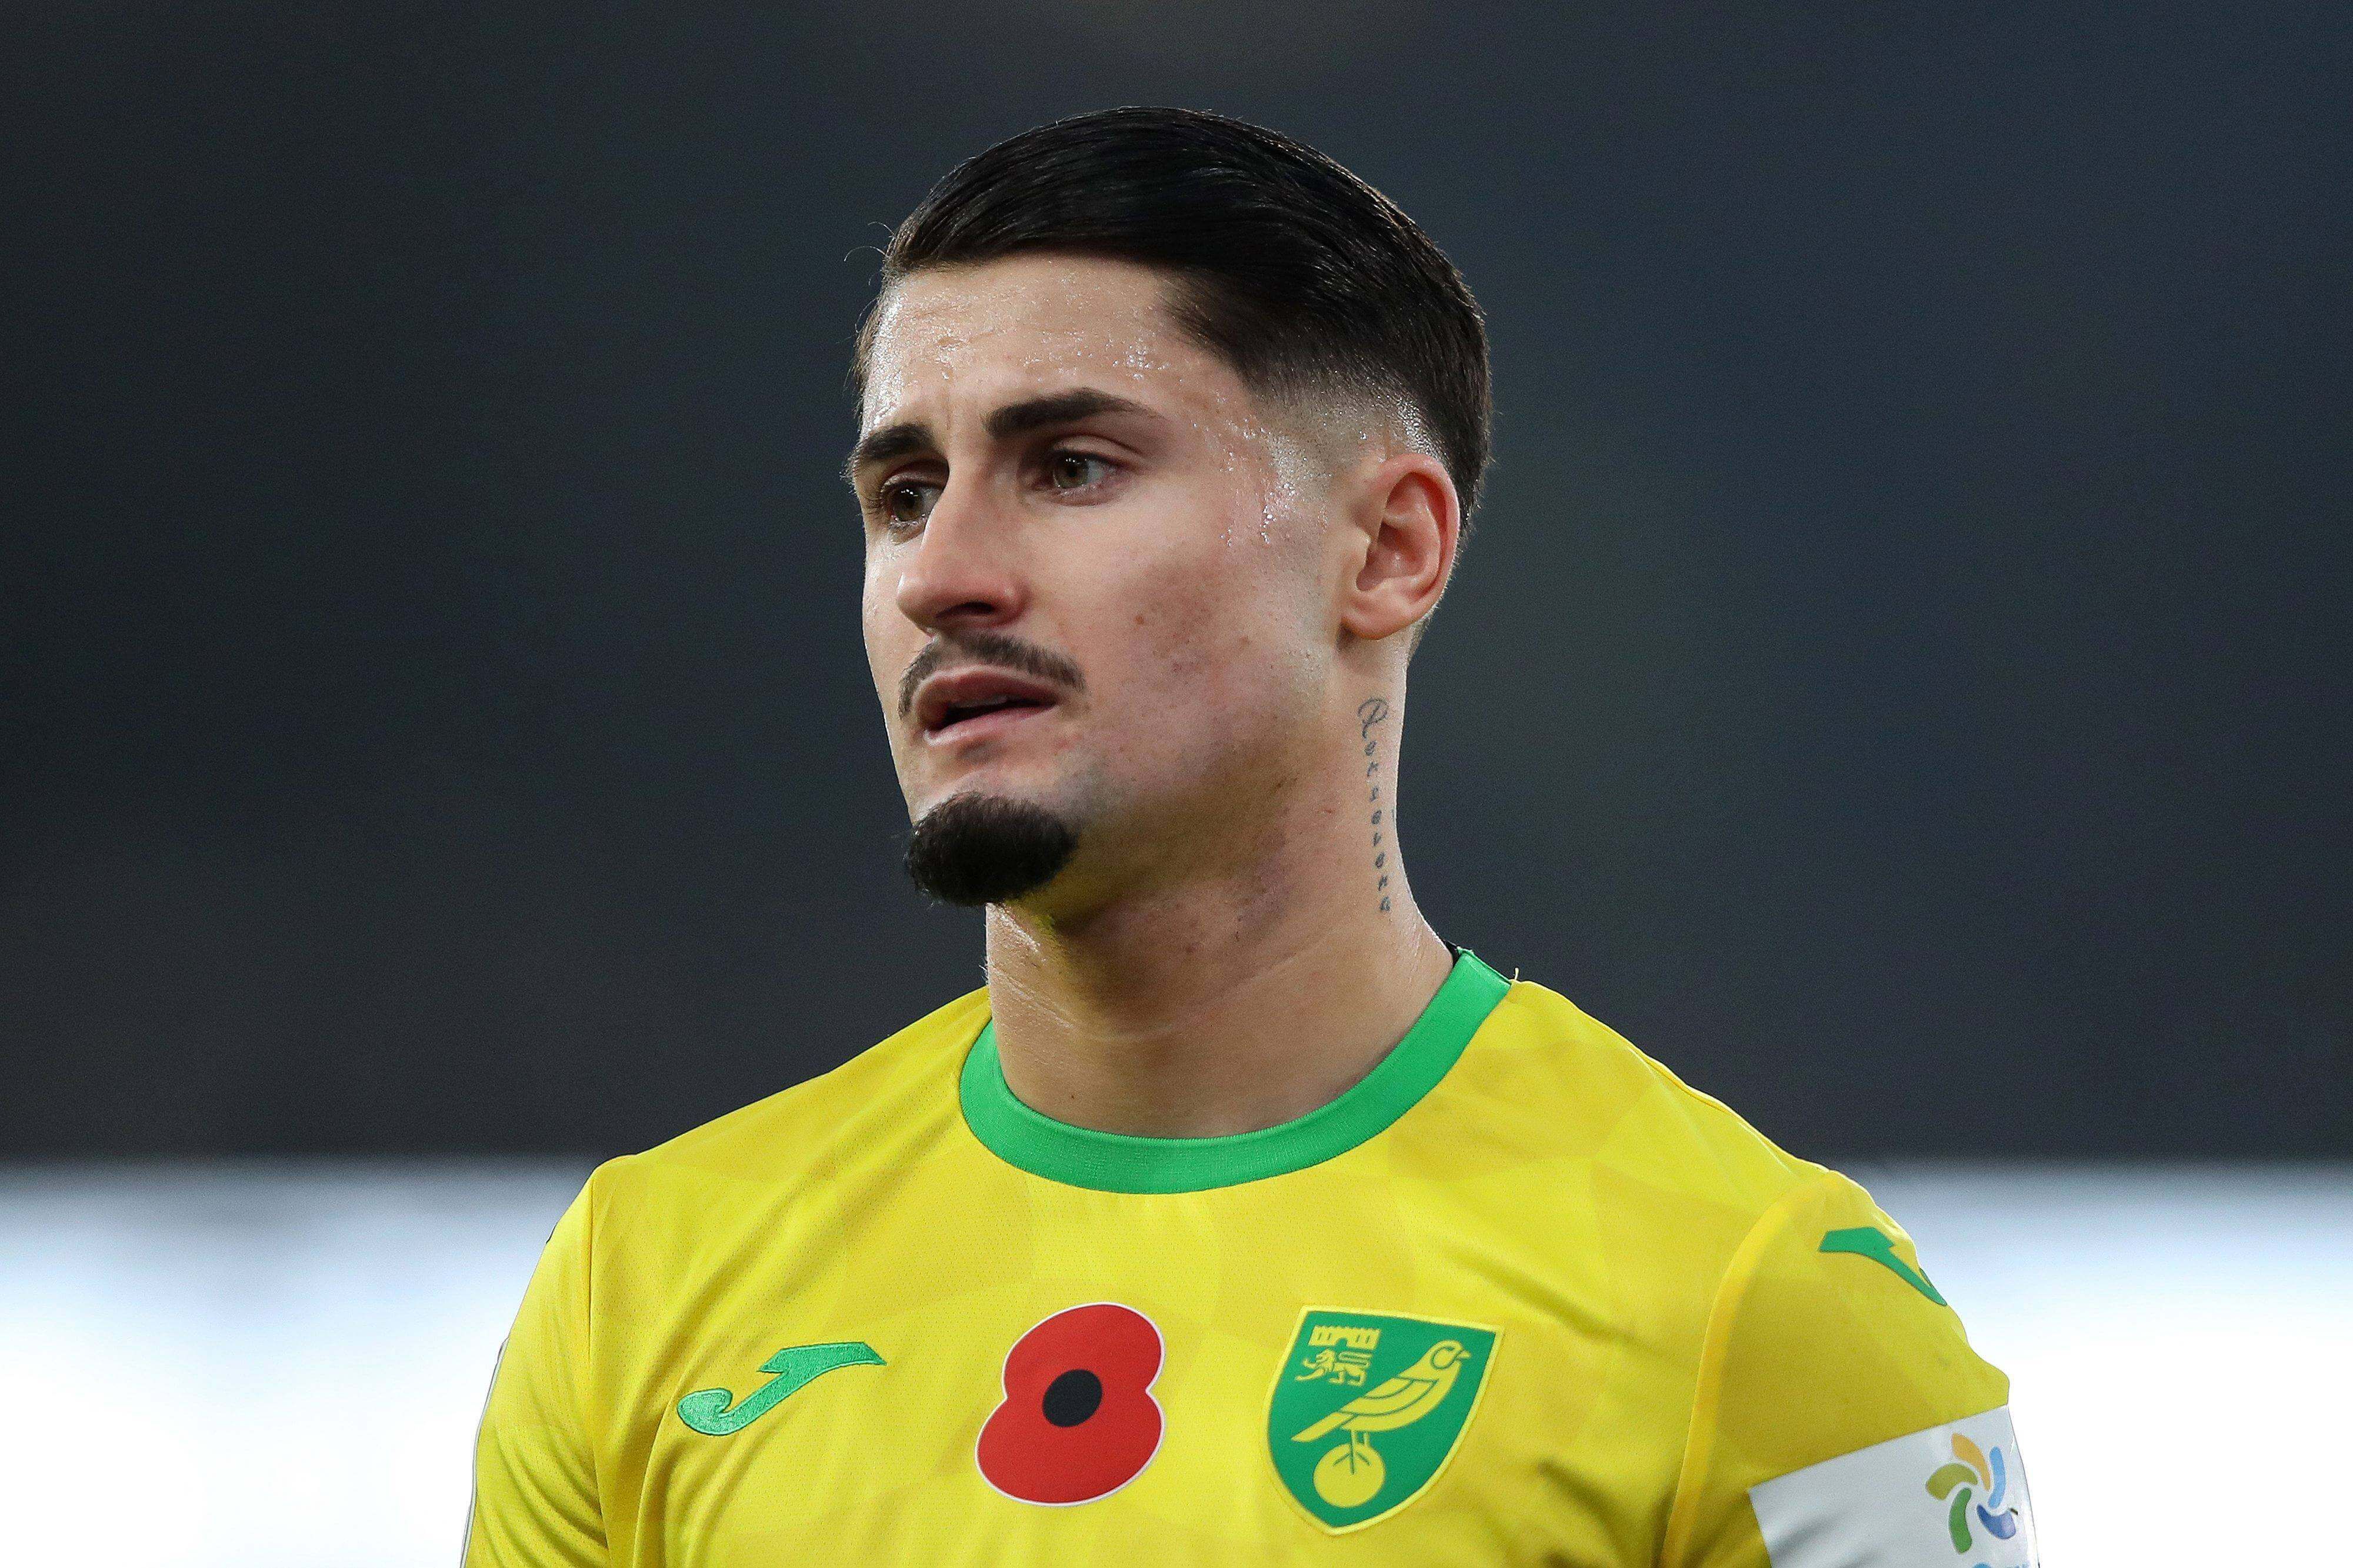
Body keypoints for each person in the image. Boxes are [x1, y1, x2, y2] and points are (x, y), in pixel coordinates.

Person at [464, 106, 2037, 1566]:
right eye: (902, 492)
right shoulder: (644, 1286)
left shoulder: (1764, 1308)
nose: (943, 573)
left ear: (1389, 549)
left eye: (1070, 466)